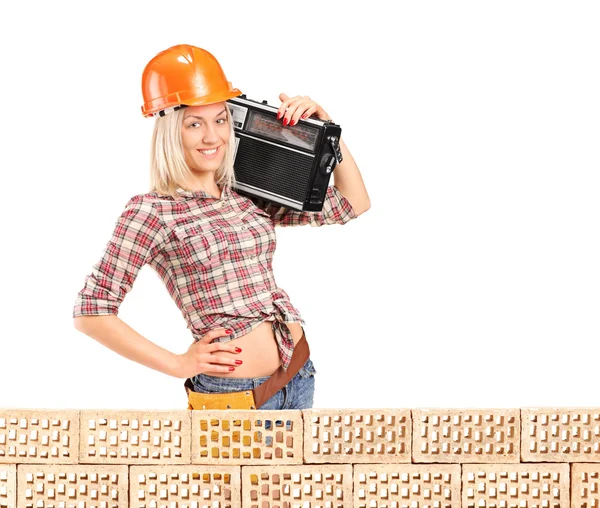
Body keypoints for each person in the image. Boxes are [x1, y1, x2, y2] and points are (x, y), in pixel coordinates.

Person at [72, 44, 370, 410]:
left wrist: (327, 132)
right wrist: (178, 363)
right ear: (169, 131)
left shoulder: (247, 193)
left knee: (292, 472)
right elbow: (91, 310)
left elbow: (352, 203)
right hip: (233, 396)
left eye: (220, 119)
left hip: (298, 375)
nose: (212, 136)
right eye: (194, 124)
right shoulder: (152, 211)